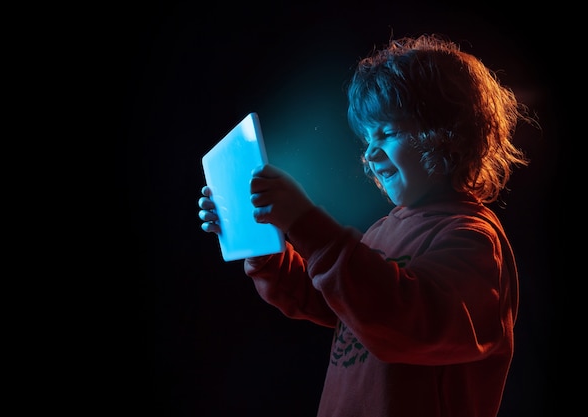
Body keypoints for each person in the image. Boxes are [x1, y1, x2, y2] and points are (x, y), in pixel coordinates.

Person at [197, 33, 537, 417]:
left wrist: (306, 222)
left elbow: (405, 322)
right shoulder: (382, 231)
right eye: (368, 139)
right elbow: (327, 300)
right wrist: (260, 241)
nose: (371, 154)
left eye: (388, 133)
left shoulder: (473, 239)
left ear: (448, 136)